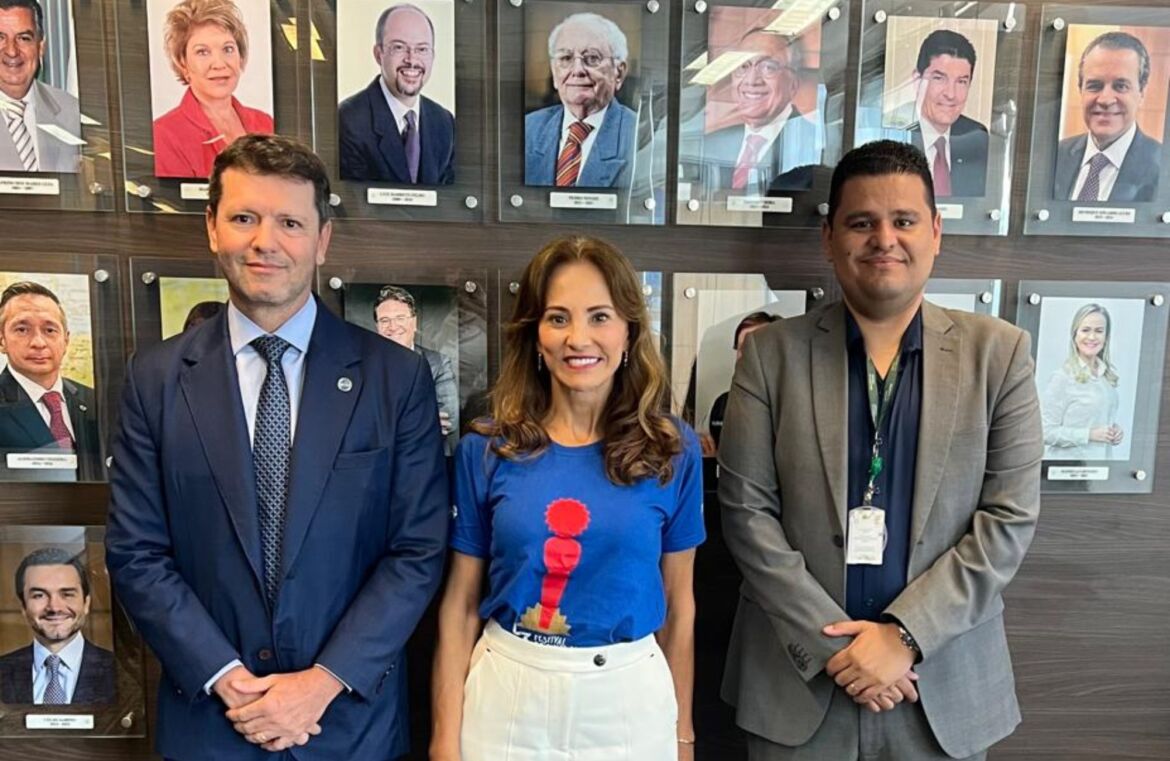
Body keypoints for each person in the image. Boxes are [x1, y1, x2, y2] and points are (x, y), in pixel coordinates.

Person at [104, 134, 448, 760]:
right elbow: (136, 552)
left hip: (347, 727)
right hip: (213, 724)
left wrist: (321, 684)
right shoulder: (154, 380)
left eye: (290, 222)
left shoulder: (396, 378)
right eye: (244, 218)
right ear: (212, 228)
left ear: (322, 240)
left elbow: (417, 550)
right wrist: (228, 681)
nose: (265, 241)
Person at [718, 140, 1042, 760]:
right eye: (862, 222)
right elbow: (746, 513)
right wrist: (838, 649)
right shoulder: (769, 355)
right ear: (829, 238)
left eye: (904, 221)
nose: (883, 239)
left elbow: (1008, 520)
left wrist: (904, 637)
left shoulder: (998, 356)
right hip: (799, 685)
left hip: (940, 688)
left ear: (936, 232)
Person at [430, 236, 705, 761]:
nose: (578, 338)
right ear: (535, 335)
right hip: (506, 697)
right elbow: (460, 605)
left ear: (629, 331)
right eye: (558, 318)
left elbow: (679, 606)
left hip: (630, 701)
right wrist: (445, 742)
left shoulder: (672, 449)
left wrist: (682, 735)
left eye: (600, 317)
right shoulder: (485, 449)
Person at [152, 0, 274, 179]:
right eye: (202, 52)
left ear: (240, 56)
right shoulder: (164, 134)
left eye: (228, 49)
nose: (219, 64)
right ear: (183, 63)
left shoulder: (265, 123)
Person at [339, 3, 455, 185]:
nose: (412, 60)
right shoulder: (348, 120)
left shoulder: (444, 123)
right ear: (379, 54)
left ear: (433, 55)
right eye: (399, 47)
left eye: (422, 49)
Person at [0, 281, 102, 482]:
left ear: (66, 340)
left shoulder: (95, 402)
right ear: (2, 340)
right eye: (22, 329)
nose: (38, 343)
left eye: (49, 330)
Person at [524, 13, 637, 188]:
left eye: (592, 58)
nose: (577, 70)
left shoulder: (639, 134)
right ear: (554, 72)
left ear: (619, 73)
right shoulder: (528, 128)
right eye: (566, 58)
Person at [701, 28, 820, 194]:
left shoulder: (814, 143)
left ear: (793, 84)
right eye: (743, 66)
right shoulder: (710, 144)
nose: (751, 80)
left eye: (768, 67)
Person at [1053, 31, 1160, 203]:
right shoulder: (1053, 157)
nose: (1105, 100)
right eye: (1094, 86)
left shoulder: (1163, 168)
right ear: (1080, 90)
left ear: (1142, 93)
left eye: (1121, 86)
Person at [0, 547, 115, 705]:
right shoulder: (3, 670)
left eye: (67, 594)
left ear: (86, 603)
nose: (54, 607)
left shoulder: (121, 673)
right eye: (39, 595)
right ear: (23, 607)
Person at [373, 284, 458, 452]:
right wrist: (424, 420)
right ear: (377, 327)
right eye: (385, 320)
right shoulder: (365, 365)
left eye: (400, 318)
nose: (393, 326)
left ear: (414, 322)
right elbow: (359, 422)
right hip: (380, 460)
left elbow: (450, 419)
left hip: (427, 457)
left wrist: (387, 424)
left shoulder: (438, 363)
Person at [0, 0, 81, 173]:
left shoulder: (74, 114)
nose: (12, 51)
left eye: (24, 38)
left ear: (41, 47)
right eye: (0, 38)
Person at [906, 29, 989, 198]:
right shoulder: (897, 131)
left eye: (961, 82)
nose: (951, 94)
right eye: (939, 78)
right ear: (917, 81)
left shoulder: (976, 137)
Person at [1040, 303, 1123, 460]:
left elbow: (1096, 419)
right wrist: (1088, 435)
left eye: (1099, 331)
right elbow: (1045, 432)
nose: (1092, 337)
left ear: (1106, 337)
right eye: (1085, 330)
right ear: (1075, 335)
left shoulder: (1106, 377)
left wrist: (1115, 430)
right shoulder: (1062, 378)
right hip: (1069, 470)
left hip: (1101, 468)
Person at [704, 311, 778, 453]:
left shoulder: (795, 408)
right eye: (741, 348)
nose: (746, 355)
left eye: (756, 347)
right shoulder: (723, 404)